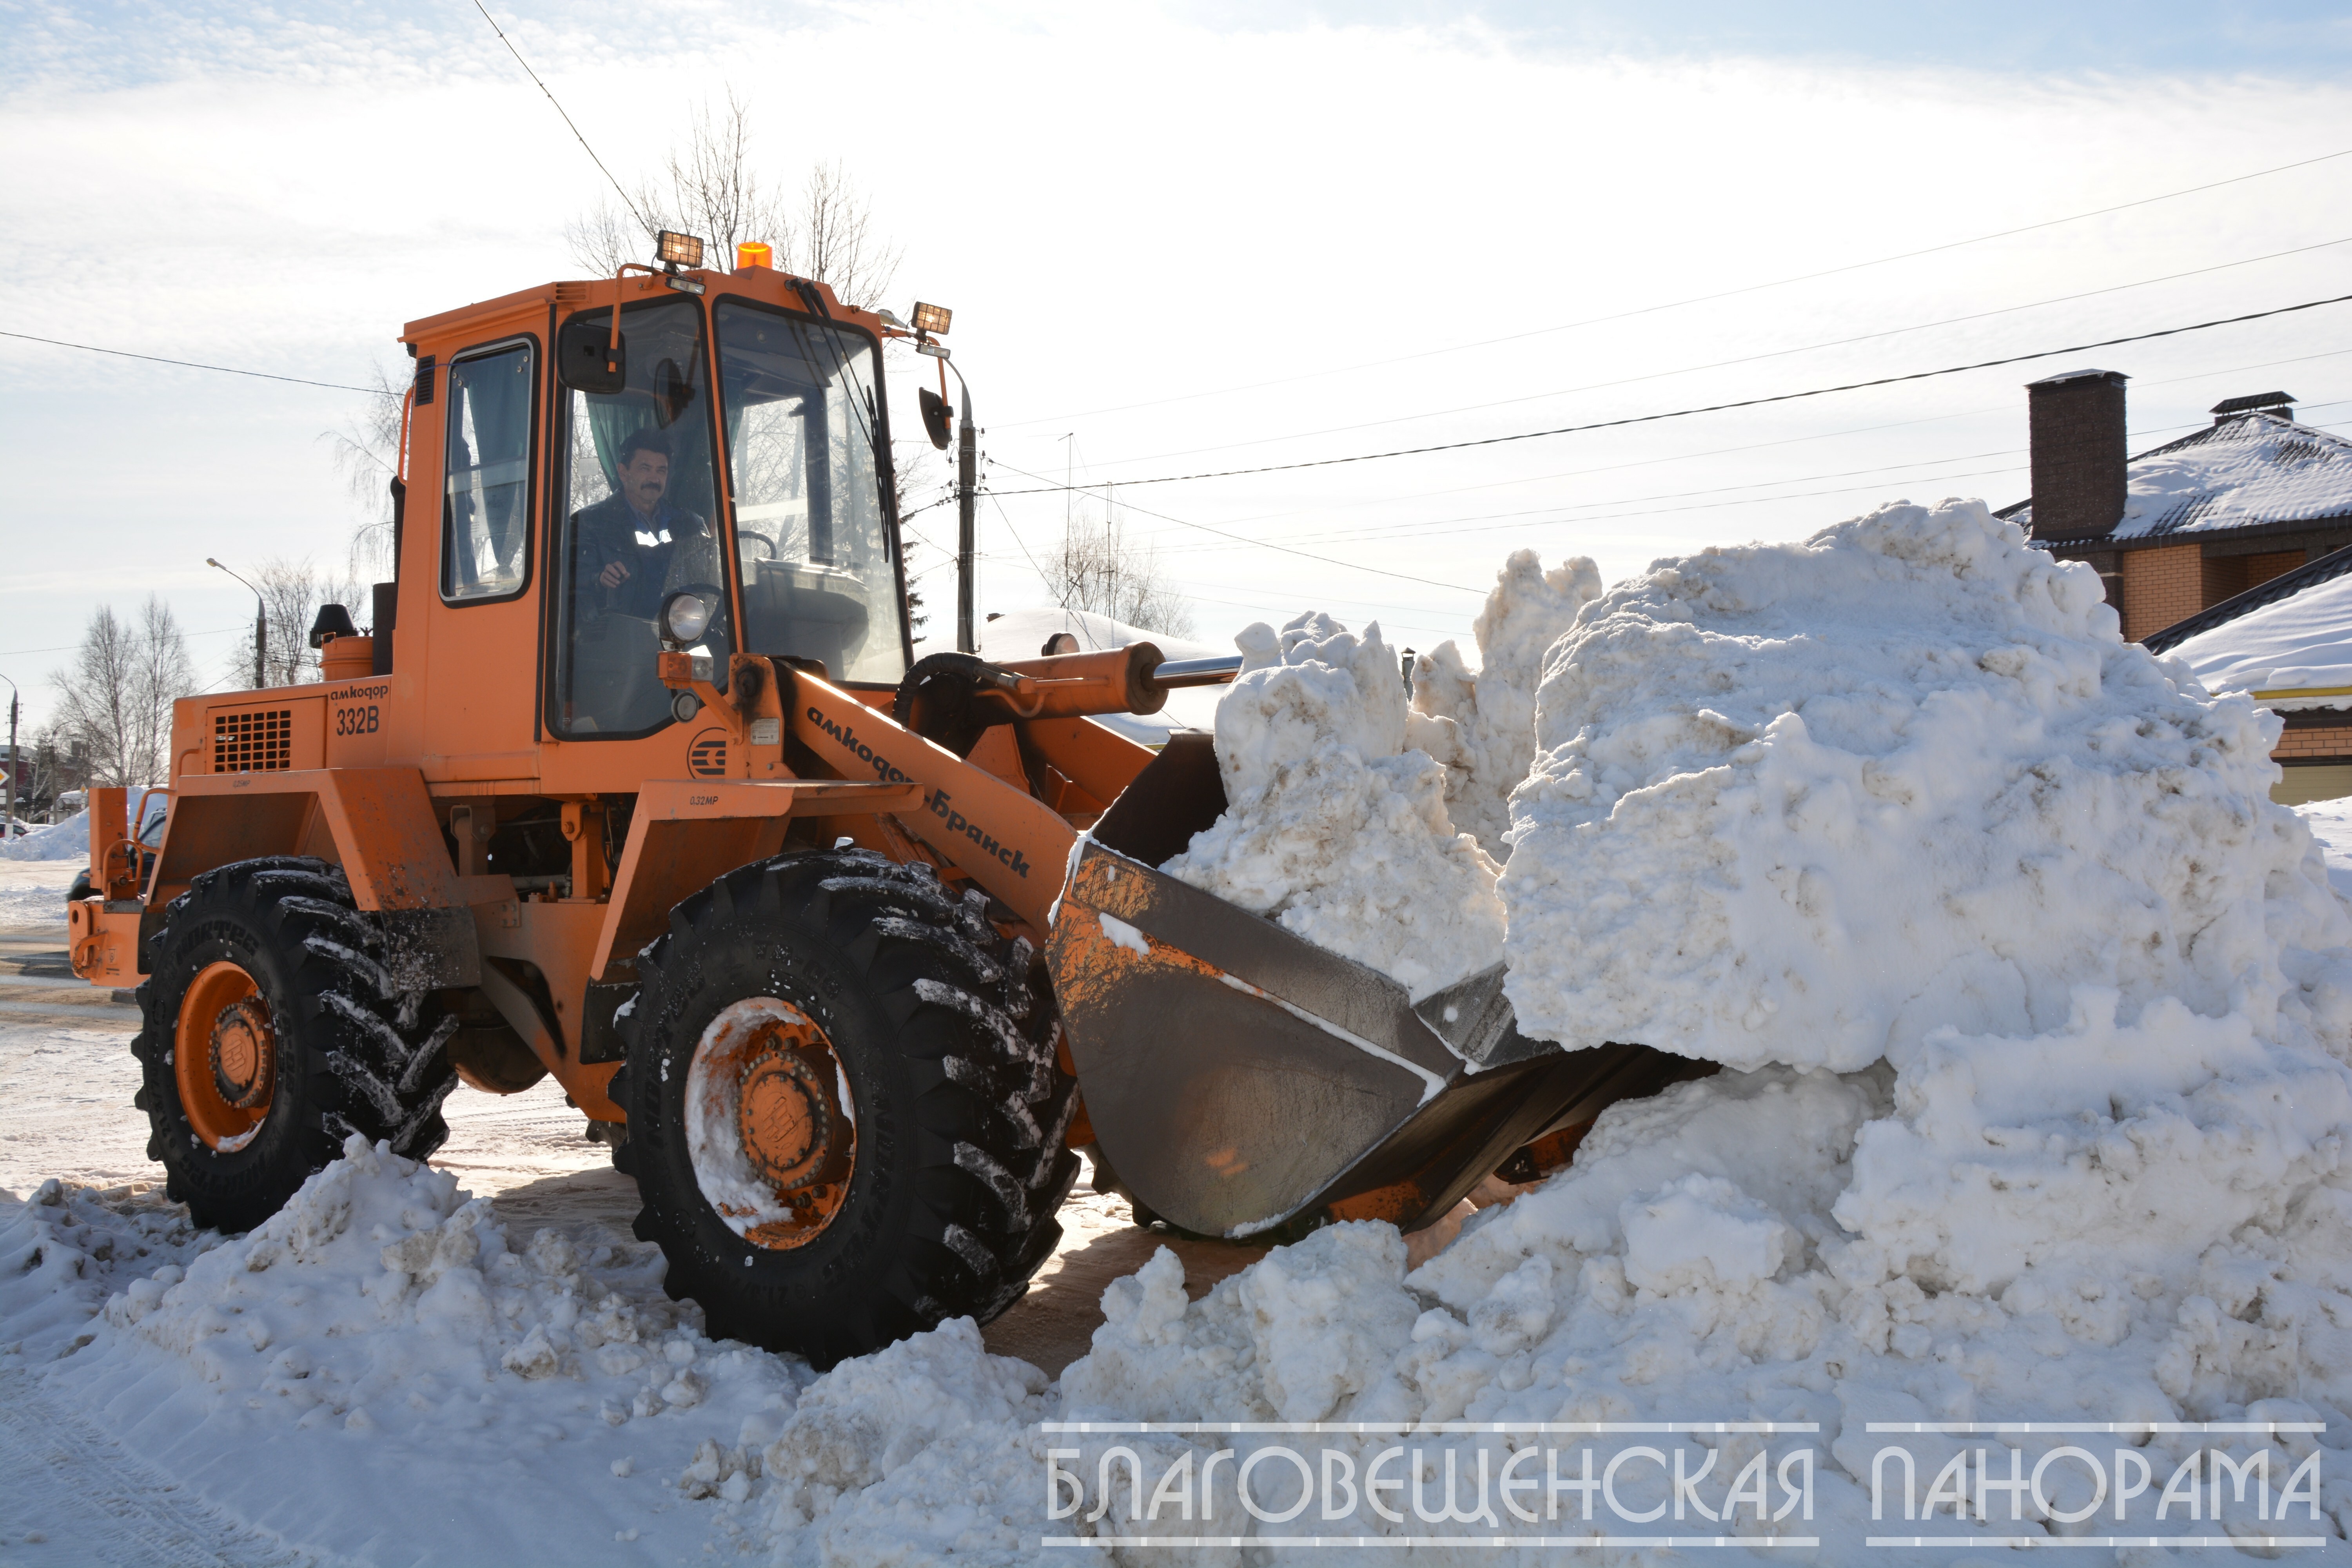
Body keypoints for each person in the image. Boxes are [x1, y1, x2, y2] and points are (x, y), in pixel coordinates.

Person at [570, 428, 717, 620]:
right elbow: (567, 583)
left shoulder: (690, 525)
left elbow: (710, 585)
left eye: (661, 471)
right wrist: (599, 579)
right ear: (623, 473)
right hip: (619, 639)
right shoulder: (589, 523)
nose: (654, 479)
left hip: (685, 633)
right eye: (645, 469)